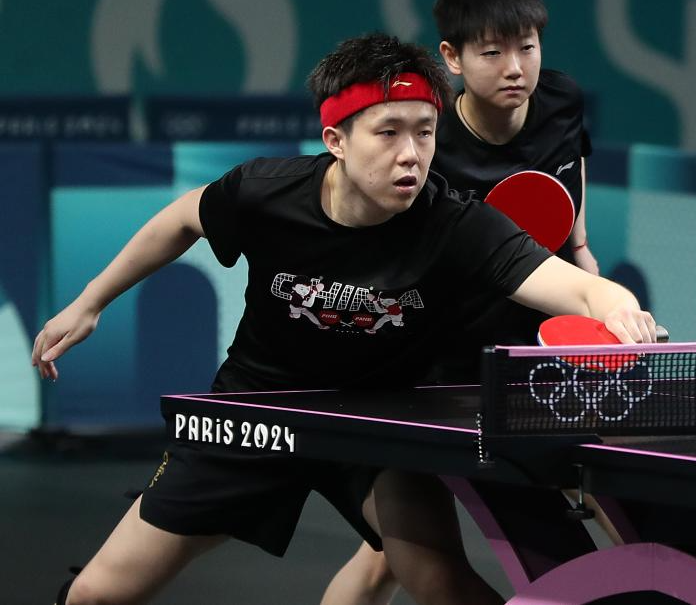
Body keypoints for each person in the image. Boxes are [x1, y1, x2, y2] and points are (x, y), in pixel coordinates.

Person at [34, 32, 659, 605]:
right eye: (388, 133)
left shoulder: (456, 225)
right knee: (96, 596)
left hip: (372, 426)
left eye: (425, 132)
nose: (411, 155)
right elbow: (181, 219)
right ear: (336, 140)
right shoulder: (267, 192)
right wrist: (90, 302)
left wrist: (618, 308)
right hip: (256, 410)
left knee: (436, 576)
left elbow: (578, 290)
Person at [323, 0, 611, 605]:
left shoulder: (562, 98)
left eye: (527, 48)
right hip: (447, 360)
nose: (515, 68)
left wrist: (579, 245)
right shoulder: (431, 142)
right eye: (492, 53)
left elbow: (573, 161)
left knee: (394, 555)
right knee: (400, 552)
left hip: (535, 337)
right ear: (452, 58)